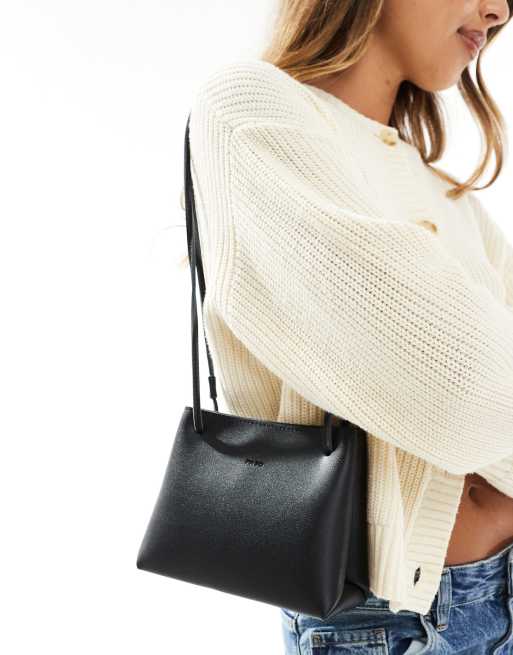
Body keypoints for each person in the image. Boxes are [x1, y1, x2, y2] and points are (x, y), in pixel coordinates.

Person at [188, 0, 513, 652]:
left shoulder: (437, 186)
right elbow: (456, 389)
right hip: (389, 621)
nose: (498, 10)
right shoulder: (250, 109)